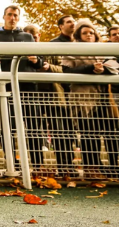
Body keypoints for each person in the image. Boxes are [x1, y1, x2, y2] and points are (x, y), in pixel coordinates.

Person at [0, 5, 45, 175]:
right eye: (10, 15)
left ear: (19, 18)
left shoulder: (27, 36)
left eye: (16, 15)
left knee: (33, 127)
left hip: (28, 86)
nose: (12, 18)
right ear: (4, 16)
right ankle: (12, 162)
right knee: (7, 127)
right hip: (6, 87)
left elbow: (39, 61)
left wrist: (35, 60)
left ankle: (38, 164)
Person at [60, 20, 119, 179]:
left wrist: (104, 69)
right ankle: (91, 167)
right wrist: (91, 68)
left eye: (91, 33)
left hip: (104, 97)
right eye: (85, 33)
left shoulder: (104, 50)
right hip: (82, 99)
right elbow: (66, 71)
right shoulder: (71, 50)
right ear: (79, 36)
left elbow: (116, 68)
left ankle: (111, 167)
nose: (89, 35)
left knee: (108, 133)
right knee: (88, 134)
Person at [40, 14, 78, 179]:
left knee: (71, 133)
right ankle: (63, 166)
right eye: (69, 22)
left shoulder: (80, 45)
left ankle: (70, 165)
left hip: (77, 95)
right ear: (61, 26)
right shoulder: (52, 45)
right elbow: (48, 67)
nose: (73, 24)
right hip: (58, 96)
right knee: (59, 132)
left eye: (74, 21)